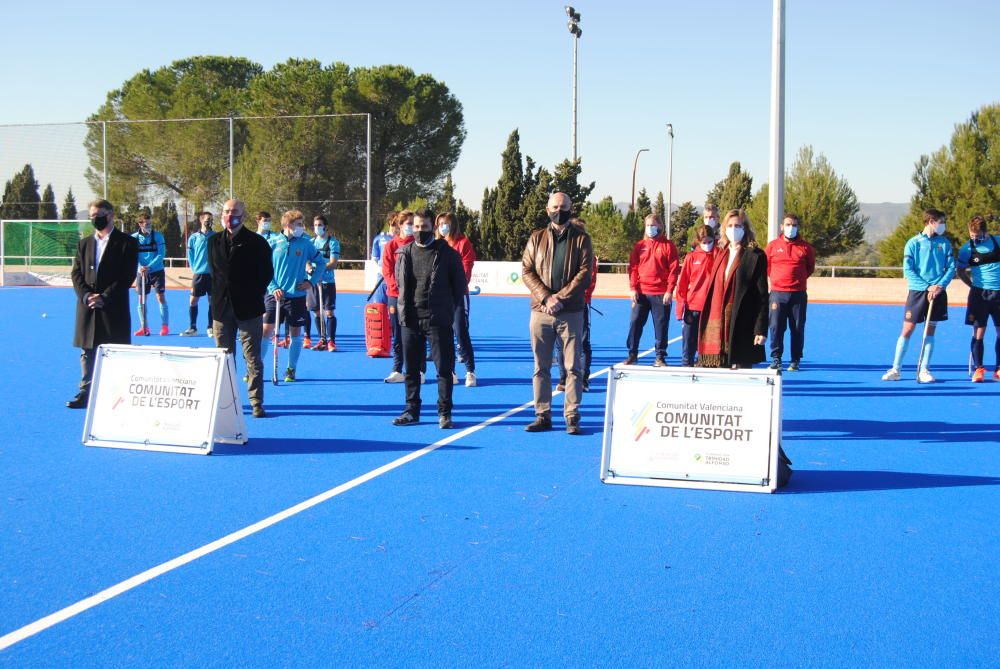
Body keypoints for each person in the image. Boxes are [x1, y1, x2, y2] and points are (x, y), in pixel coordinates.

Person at [521, 192, 593, 435]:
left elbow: (584, 273)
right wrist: (546, 297)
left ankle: (572, 415)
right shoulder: (536, 238)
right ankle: (543, 415)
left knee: (573, 367)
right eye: (555, 206)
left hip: (570, 311)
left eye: (563, 206)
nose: (558, 210)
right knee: (541, 367)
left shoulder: (582, 239)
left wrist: (559, 299)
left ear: (570, 208)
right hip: (540, 311)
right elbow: (527, 270)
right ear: (547, 209)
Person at [392, 208, 467, 428]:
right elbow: (400, 285)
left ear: (432, 228)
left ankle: (444, 413)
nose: (419, 230)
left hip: (437, 320)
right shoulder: (404, 253)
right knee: (411, 370)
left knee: (443, 369)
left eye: (424, 227)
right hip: (410, 320)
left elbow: (459, 287)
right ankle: (411, 411)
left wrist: (444, 310)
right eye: (416, 227)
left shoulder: (448, 254)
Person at [67, 200, 139, 408]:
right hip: (87, 306)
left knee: (115, 350)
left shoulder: (127, 243)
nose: (94, 219)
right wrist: (86, 296)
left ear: (110, 215)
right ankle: (85, 392)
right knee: (87, 350)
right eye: (91, 215)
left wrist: (104, 297)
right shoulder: (84, 243)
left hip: (113, 306)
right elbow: (76, 273)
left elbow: (126, 275)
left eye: (98, 214)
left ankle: (118, 394)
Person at [207, 199, 274, 418]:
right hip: (221, 310)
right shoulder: (213, 241)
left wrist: (250, 293)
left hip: (248, 309)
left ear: (243, 216)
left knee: (252, 358)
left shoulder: (257, 243)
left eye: (234, 212)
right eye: (226, 211)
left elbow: (266, 274)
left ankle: (256, 402)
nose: (229, 215)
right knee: (223, 358)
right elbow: (214, 275)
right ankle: (226, 401)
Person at [882, 208, 956, 382]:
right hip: (918, 292)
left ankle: (924, 370)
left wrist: (939, 286)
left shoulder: (944, 243)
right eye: (941, 222)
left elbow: (951, 268)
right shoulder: (913, 243)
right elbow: (908, 270)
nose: (943, 225)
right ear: (931, 221)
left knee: (930, 331)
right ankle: (896, 369)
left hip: (938, 292)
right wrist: (926, 287)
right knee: (908, 329)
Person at [697, 209, 768, 369]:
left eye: (738, 225)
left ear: (745, 228)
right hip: (719, 326)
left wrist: (761, 329)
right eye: (730, 225)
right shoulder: (721, 254)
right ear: (724, 228)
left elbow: (762, 295)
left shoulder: (755, 255)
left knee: (743, 374)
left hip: (743, 323)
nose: (733, 229)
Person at [261, 210, 324, 383]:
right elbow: (264, 269)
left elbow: (321, 263)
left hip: (296, 296)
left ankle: (291, 369)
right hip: (274, 296)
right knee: (266, 331)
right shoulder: (272, 242)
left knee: (296, 332)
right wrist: (273, 287)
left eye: (302, 224)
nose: (302, 227)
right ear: (288, 225)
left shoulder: (305, 244)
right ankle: (256, 368)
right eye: (298, 224)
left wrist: (311, 282)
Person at [624, 214, 680, 366]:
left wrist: (669, 290)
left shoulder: (668, 246)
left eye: (653, 225)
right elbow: (633, 268)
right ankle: (632, 354)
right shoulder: (639, 246)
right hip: (641, 293)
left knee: (661, 326)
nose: (650, 228)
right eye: (647, 225)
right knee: (635, 323)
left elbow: (674, 270)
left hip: (661, 294)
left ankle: (660, 357)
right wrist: (633, 288)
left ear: (660, 226)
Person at [765, 213, 816, 371]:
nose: (791, 228)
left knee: (798, 327)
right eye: (788, 224)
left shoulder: (805, 247)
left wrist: (797, 281)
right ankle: (776, 358)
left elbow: (810, 268)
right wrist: (778, 280)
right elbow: (766, 266)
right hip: (777, 294)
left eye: (794, 225)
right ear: (782, 226)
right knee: (776, 327)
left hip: (798, 294)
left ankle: (795, 359)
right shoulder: (773, 246)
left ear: (798, 227)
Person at [557, 217, 599, 392]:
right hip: (560, 304)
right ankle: (564, 378)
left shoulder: (587, 254)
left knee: (581, 342)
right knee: (560, 343)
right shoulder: (561, 252)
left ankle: (582, 380)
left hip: (579, 303)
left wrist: (580, 296)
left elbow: (590, 280)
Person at [436, 212, 477, 387]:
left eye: (446, 223)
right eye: (440, 224)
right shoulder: (436, 244)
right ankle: (451, 372)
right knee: (444, 336)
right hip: (439, 298)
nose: (443, 227)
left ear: (453, 225)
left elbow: (466, 270)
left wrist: (454, 289)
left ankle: (470, 372)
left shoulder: (463, 243)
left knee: (460, 332)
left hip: (457, 296)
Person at [957, 216, 1000, 382]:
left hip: (998, 294)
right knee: (979, 332)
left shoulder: (997, 242)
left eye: (978, 235)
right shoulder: (966, 249)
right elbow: (960, 271)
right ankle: (979, 369)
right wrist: (972, 285)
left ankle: (998, 369)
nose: (975, 238)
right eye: (972, 235)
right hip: (979, 295)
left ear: (986, 231)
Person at [674, 224, 720, 366]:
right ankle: (686, 365)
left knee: (708, 342)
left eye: (709, 242)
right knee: (689, 341)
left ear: (714, 240)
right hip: (693, 306)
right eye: (704, 242)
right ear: (698, 242)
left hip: (712, 307)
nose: (707, 245)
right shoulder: (691, 257)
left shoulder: (720, 255)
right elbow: (682, 284)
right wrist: (680, 308)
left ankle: (704, 364)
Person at [382, 210, 416, 383]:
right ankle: (397, 369)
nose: (411, 226)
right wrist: (397, 288)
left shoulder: (418, 244)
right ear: (400, 225)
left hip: (416, 296)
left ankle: (417, 370)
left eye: (413, 223)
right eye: (408, 223)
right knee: (398, 333)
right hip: (395, 296)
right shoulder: (391, 246)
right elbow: (387, 271)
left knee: (415, 333)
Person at [132, 211, 169, 336]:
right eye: (145, 224)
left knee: (160, 297)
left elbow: (161, 254)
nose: (148, 226)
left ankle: (164, 326)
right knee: (141, 299)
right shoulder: (134, 238)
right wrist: (140, 267)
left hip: (156, 270)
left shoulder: (158, 236)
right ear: (140, 224)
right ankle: (144, 327)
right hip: (141, 272)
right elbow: (132, 256)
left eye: (149, 223)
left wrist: (149, 266)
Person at [307, 214, 340, 352]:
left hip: (328, 282)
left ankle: (331, 341)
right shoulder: (311, 242)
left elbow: (333, 263)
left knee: (329, 312)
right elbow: (306, 260)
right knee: (317, 312)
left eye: (319, 225)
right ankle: (322, 339)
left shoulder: (333, 242)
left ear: (325, 227)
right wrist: (310, 269)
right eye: (315, 225)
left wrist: (319, 270)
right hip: (313, 282)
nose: (317, 228)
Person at [181, 211, 215, 337]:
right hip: (199, 275)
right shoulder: (193, 237)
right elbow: (191, 256)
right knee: (193, 301)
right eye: (207, 220)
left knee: (212, 302)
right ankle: (193, 327)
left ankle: (211, 327)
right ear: (201, 221)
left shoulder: (216, 236)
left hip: (212, 275)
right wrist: (196, 269)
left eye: (211, 220)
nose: (209, 222)